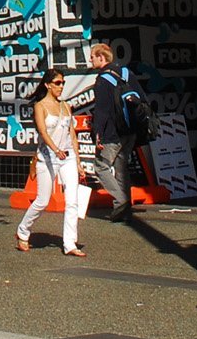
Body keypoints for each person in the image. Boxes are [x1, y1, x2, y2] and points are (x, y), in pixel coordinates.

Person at [15, 69, 86, 257]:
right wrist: (55, 149)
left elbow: (72, 135)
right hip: (48, 156)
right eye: (57, 83)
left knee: (72, 200)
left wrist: (78, 162)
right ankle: (23, 230)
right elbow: (42, 132)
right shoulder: (40, 106)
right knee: (43, 200)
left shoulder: (65, 106)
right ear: (47, 85)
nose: (61, 86)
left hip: (67, 156)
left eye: (63, 83)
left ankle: (70, 243)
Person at [87, 42, 139, 222]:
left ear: (101, 57)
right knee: (121, 167)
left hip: (112, 132)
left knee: (101, 167)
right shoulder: (126, 73)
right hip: (130, 130)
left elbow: (102, 110)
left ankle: (121, 200)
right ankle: (123, 209)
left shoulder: (102, 80)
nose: (90, 60)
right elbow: (141, 99)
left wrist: (97, 133)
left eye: (92, 57)